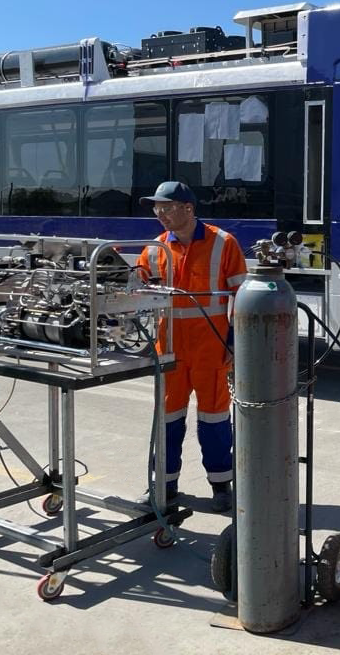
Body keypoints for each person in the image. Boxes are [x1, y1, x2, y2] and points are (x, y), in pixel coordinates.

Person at [137, 181, 247, 512]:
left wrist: (234, 341)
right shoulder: (154, 248)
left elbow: (242, 297)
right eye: (157, 209)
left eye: (167, 208)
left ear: (188, 208)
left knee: (214, 420)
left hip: (210, 348)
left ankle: (220, 485)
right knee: (167, 419)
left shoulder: (223, 243)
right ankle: (164, 486)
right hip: (168, 350)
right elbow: (137, 291)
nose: (161, 215)